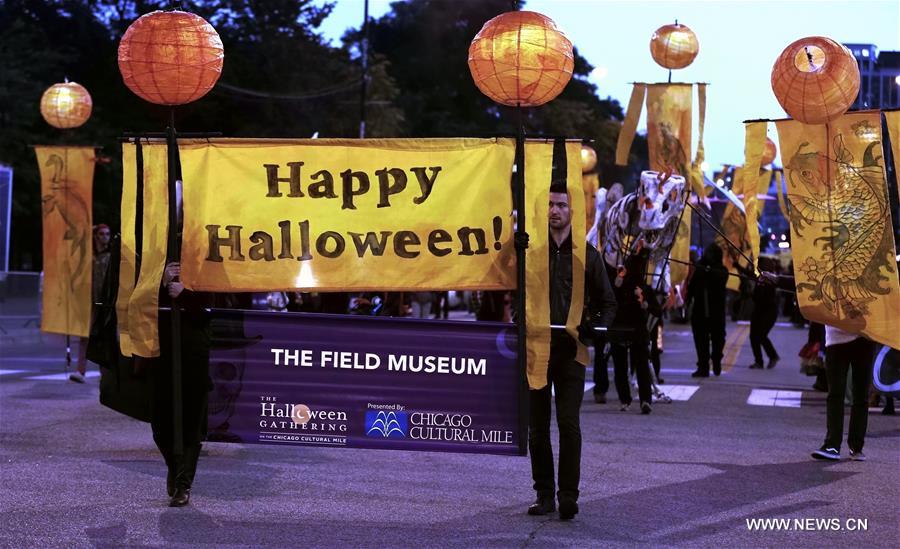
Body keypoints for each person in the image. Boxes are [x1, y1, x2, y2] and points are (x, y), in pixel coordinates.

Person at [528, 180, 617, 521]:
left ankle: (568, 495)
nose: (555, 211)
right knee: (537, 427)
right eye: (550, 204)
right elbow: (515, 288)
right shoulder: (532, 251)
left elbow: (609, 302)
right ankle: (544, 494)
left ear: (572, 211)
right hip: (537, 349)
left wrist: (594, 328)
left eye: (561, 205)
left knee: (568, 423)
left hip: (572, 352)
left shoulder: (586, 254)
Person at [144, 261, 213, 507]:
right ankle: (175, 468)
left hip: (194, 355)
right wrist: (162, 284)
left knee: (191, 425)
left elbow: (209, 312)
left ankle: (184, 484)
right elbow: (140, 306)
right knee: (160, 424)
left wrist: (184, 294)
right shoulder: (157, 266)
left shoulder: (207, 268)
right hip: (162, 356)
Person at [608, 242, 661, 413]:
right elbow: (610, 301)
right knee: (624, 365)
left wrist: (643, 302)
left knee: (639, 365)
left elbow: (656, 310)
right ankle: (628, 398)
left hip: (635, 329)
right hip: (621, 329)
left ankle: (642, 399)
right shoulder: (620, 285)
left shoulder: (643, 289)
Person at [811, 326, 876, 461]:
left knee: (860, 395)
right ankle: (832, 445)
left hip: (865, 336)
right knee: (836, 393)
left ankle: (856, 446)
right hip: (837, 337)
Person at [71, 224, 112, 383]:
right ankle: (81, 370)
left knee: (105, 339)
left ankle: (105, 374)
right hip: (91, 302)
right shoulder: (90, 256)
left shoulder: (110, 256)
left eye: (107, 234)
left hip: (106, 303)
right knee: (85, 337)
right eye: (101, 234)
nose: (105, 237)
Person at [687, 244, 728, 377]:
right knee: (700, 341)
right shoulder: (700, 268)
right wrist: (687, 300)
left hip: (716, 312)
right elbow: (692, 287)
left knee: (718, 339)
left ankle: (716, 359)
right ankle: (703, 367)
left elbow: (719, 280)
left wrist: (708, 270)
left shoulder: (722, 270)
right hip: (699, 312)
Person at [748, 257, 780, 369]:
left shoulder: (771, 278)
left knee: (761, 335)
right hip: (758, 311)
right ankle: (758, 361)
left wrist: (761, 286)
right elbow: (747, 273)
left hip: (768, 312)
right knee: (753, 337)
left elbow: (766, 297)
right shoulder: (759, 277)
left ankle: (773, 356)